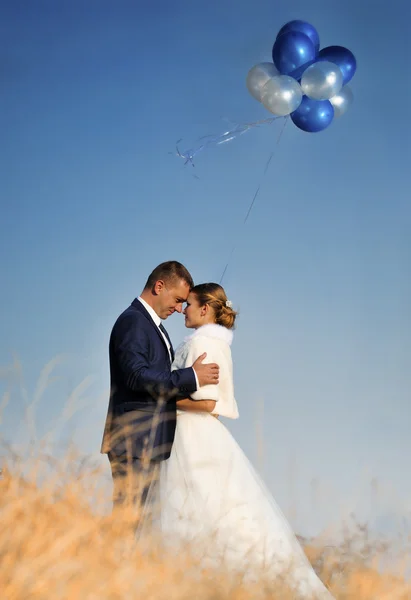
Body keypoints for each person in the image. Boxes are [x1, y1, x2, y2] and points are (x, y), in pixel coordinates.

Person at [159, 283, 334, 599]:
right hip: (189, 434)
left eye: (189, 304)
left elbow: (209, 404)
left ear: (204, 309)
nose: (183, 309)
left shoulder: (206, 345)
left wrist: (163, 403)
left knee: (202, 513)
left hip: (193, 438)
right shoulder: (207, 342)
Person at [100, 261, 219, 521]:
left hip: (150, 441)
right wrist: (191, 377)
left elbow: (157, 380)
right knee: (128, 521)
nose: (179, 309)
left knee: (142, 524)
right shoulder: (133, 322)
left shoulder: (155, 327)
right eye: (177, 300)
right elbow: (136, 376)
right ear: (159, 286)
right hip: (134, 439)